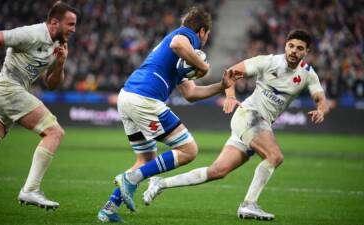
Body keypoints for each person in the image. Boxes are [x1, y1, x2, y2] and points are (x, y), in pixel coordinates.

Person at [142, 29, 330, 220]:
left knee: (217, 171)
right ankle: (249, 204)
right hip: (249, 115)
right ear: (285, 46)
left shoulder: (307, 73)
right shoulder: (268, 61)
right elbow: (231, 73)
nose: (294, 51)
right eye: (291, 46)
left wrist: (321, 110)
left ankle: (160, 183)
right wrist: (230, 96)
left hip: (258, 124)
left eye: (299, 48)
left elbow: (320, 98)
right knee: (274, 156)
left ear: (306, 52)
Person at [97, 6, 236, 223]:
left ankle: (109, 209)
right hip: (145, 99)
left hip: (128, 96)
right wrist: (204, 67)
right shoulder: (186, 36)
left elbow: (190, 93)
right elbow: (179, 43)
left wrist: (221, 86)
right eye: (207, 34)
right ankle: (130, 179)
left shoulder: (178, 55)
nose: (206, 38)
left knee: (146, 160)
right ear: (202, 31)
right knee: (189, 150)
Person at [0, 1, 78, 210]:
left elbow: (51, 84)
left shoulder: (57, 45)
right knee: (54, 132)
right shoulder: (33, 33)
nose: (73, 29)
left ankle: (30, 190)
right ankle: (30, 190)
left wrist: (61, 64)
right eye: (70, 24)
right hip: (8, 87)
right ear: (54, 23)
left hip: (3, 93)